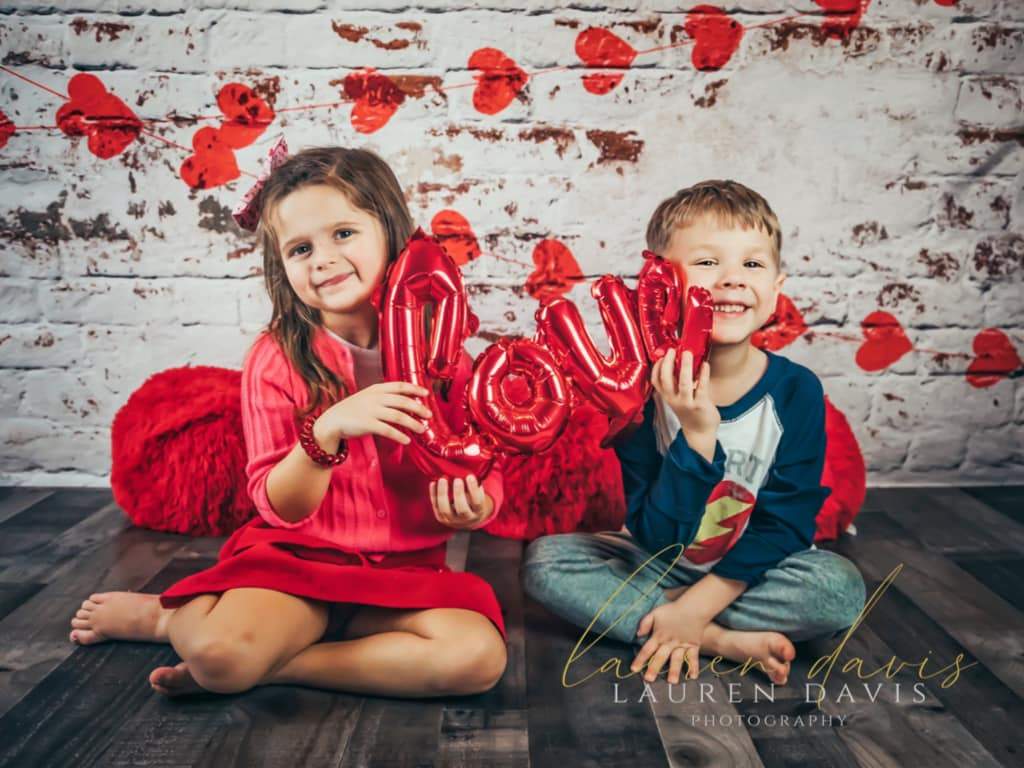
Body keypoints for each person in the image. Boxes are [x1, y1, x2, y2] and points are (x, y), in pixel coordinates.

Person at [69, 143, 508, 699]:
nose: (322, 259)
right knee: (221, 658)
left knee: (476, 659)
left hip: (405, 573)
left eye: (343, 233)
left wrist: (478, 503)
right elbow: (282, 506)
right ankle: (167, 618)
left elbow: (481, 461)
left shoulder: (448, 358)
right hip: (297, 565)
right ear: (282, 266)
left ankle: (279, 666)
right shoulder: (277, 358)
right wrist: (326, 432)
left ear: (393, 232)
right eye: (301, 248)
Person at [521, 180, 866, 687]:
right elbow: (656, 536)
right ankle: (717, 640)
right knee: (544, 564)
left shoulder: (797, 391)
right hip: (661, 562)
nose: (732, 279)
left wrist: (697, 605)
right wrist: (699, 436)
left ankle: (673, 619)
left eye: (752, 264)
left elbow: (788, 523)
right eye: (707, 262)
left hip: (757, 570)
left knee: (838, 591)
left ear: (776, 287)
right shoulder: (637, 392)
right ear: (660, 285)